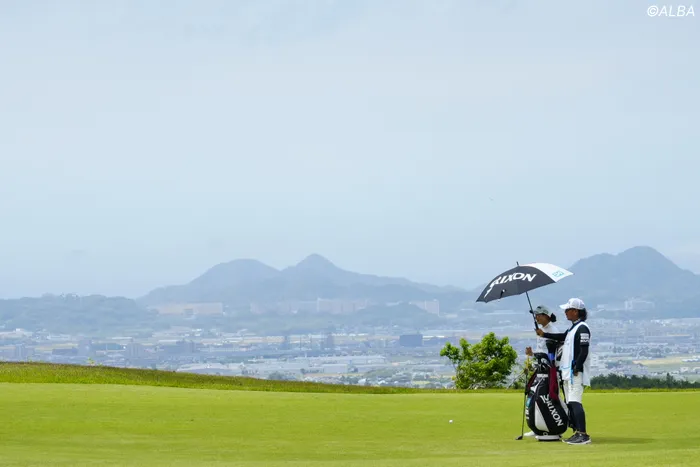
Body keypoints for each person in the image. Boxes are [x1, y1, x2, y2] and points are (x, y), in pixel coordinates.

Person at [536, 297, 592, 445]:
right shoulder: (573, 328)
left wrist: (577, 367)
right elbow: (562, 336)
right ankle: (577, 432)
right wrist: (544, 334)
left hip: (575, 372)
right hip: (568, 372)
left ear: (576, 311)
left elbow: (584, 350)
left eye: (568, 310)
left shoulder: (582, 328)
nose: (565, 312)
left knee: (575, 402)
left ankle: (583, 434)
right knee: (570, 403)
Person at [523, 305, 561, 438]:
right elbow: (541, 352)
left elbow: (552, 353)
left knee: (548, 399)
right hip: (541, 369)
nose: (536, 317)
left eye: (538, 315)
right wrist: (532, 354)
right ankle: (537, 426)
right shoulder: (541, 331)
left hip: (550, 370)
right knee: (536, 398)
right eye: (535, 315)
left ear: (546, 316)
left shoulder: (553, 331)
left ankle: (553, 427)